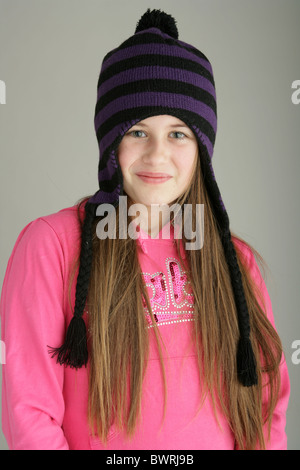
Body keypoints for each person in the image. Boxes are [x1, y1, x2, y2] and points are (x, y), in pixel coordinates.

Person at [0, 9, 290, 450]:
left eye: (178, 134)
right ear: (110, 143)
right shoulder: (52, 247)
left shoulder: (234, 262)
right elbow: (30, 414)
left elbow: (268, 405)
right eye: (137, 131)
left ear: (203, 152)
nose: (157, 155)